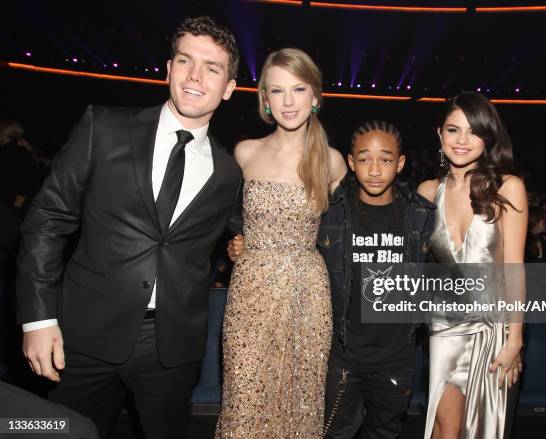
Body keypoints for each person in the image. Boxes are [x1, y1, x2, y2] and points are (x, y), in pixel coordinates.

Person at [16, 16, 242, 439]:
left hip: (172, 350)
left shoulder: (230, 172)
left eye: (212, 68)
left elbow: (249, 234)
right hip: (81, 338)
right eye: (185, 61)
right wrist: (37, 320)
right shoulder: (103, 128)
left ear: (228, 87)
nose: (195, 76)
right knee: (56, 433)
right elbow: (47, 220)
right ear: (169, 68)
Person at [214, 48, 346, 438]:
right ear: (265, 100)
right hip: (251, 289)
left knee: (300, 398)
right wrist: (235, 242)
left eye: (298, 89)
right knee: (244, 392)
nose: (288, 102)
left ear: (316, 97)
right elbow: (221, 217)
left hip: (308, 292)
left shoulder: (333, 162)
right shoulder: (244, 153)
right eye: (277, 91)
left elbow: (345, 238)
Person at [417, 92, 527, 439]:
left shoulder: (508, 188)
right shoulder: (426, 192)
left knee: (480, 430)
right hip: (443, 328)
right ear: (439, 135)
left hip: (492, 331)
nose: (462, 141)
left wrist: (515, 340)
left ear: (488, 137)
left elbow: (514, 268)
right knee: (445, 426)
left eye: (473, 131)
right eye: (453, 130)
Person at [320, 121, 434, 438]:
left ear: (400, 163)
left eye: (385, 159)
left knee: (384, 433)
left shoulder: (421, 215)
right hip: (343, 355)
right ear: (351, 162)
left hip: (397, 358)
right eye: (364, 159)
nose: (374, 170)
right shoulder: (330, 213)